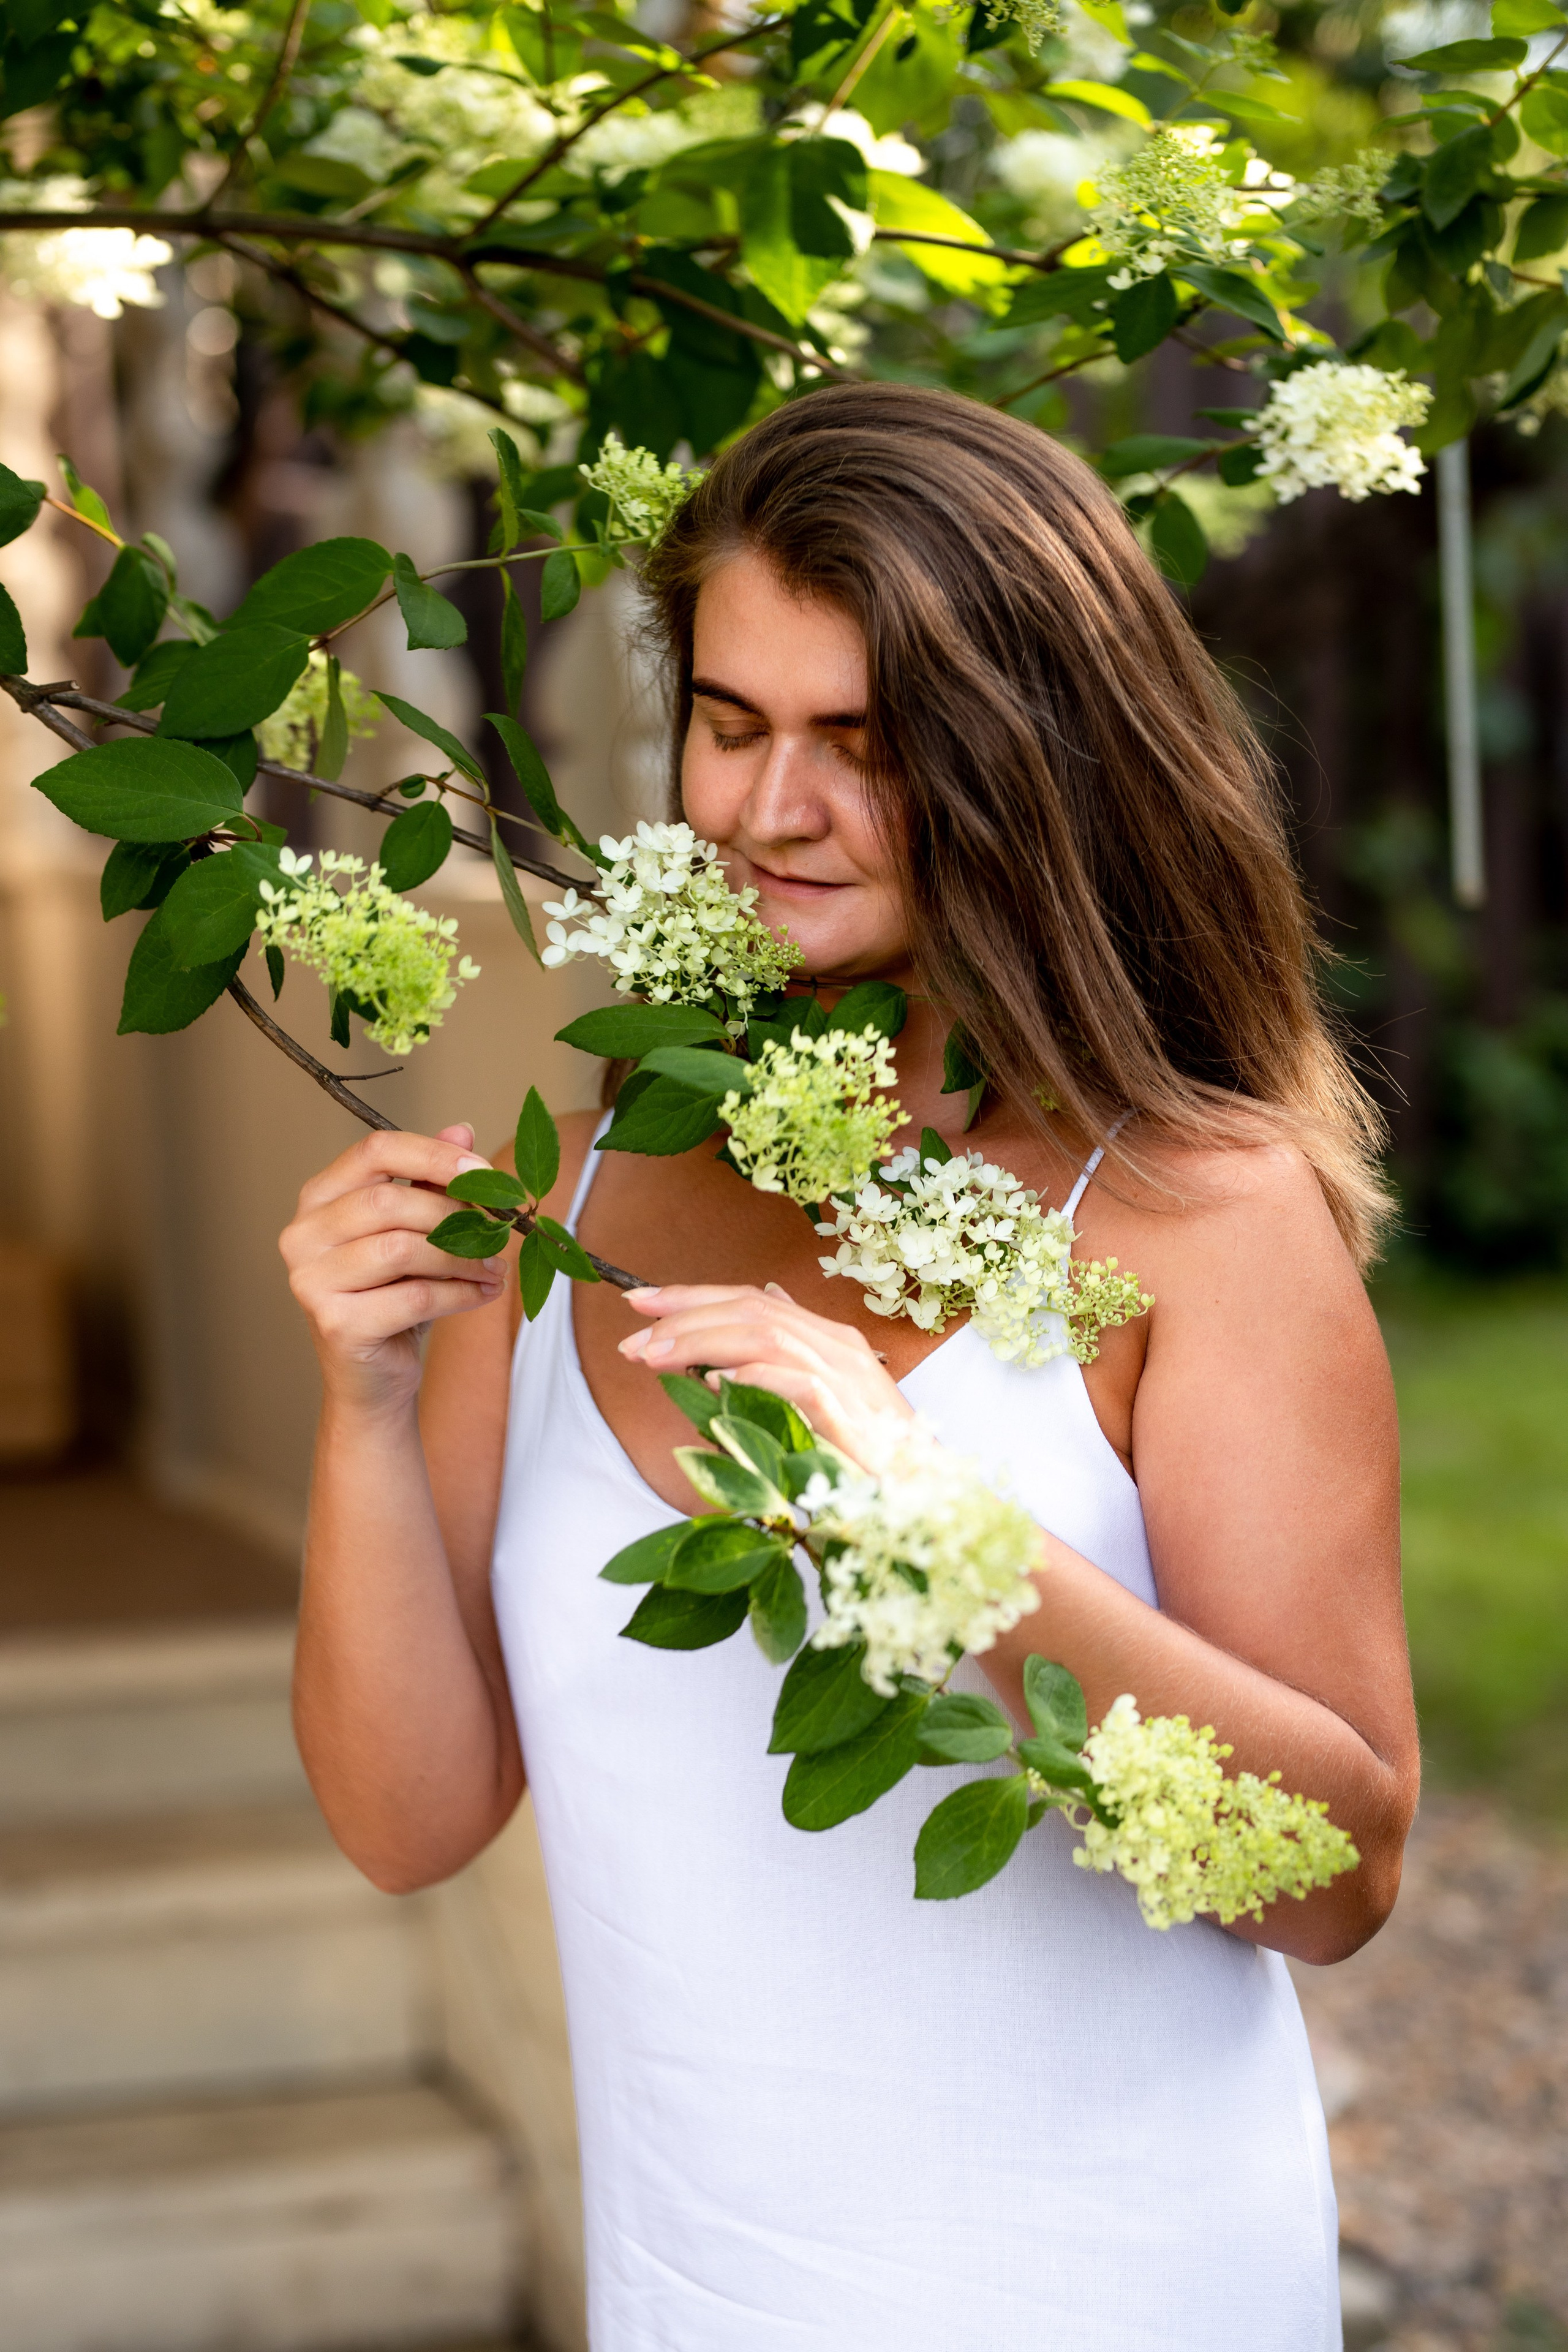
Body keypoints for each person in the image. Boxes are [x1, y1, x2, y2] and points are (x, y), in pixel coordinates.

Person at [282, 383, 1417, 2350]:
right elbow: (410, 1818)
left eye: (862, 746)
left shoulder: (1194, 1210)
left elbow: (1329, 1877)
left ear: (1032, 763)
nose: (767, 809)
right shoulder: (612, 1141)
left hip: (1110, 2294)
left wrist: (937, 1538)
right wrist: (365, 1405)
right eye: (731, 723)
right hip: (699, 2291)